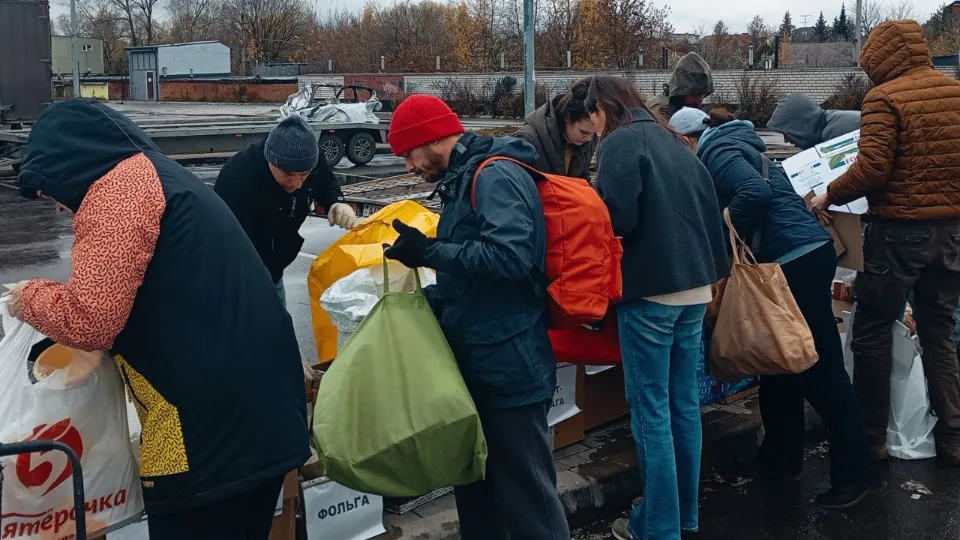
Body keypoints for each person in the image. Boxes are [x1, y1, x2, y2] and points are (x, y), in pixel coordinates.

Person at [4, 99, 309, 539]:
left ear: (66, 163)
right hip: (255, 418)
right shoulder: (158, 175)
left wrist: (27, 297)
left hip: (211, 440)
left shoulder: (120, 191)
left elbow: (91, 319)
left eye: (49, 191)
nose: (56, 207)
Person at [382, 94, 570, 540]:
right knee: (478, 495)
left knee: (528, 502)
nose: (408, 167)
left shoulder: (494, 176)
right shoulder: (463, 178)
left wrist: (428, 252)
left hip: (510, 369)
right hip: (481, 365)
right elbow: (471, 279)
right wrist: (425, 301)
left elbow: (510, 258)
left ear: (430, 140)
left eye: (408, 154)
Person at [675, 106, 880, 509]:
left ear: (687, 140)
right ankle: (779, 458)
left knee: (818, 370)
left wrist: (722, 223)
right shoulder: (743, 145)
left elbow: (756, 193)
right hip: (800, 255)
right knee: (777, 366)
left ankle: (855, 471)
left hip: (794, 262)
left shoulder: (718, 151)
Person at [810, 20, 960, 464]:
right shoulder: (955, 92)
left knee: (873, 330)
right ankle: (954, 439)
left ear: (881, 58)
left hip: (898, 234)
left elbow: (873, 168)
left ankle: (870, 437)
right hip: (952, 234)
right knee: (939, 333)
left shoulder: (884, 98)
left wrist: (829, 194)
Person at [586, 76, 728, 540]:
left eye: (592, 121)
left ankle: (658, 526)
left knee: (651, 410)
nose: (592, 132)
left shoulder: (622, 142)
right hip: (695, 288)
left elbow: (618, 219)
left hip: (651, 291)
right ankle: (686, 515)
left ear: (602, 110)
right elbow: (709, 207)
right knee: (683, 404)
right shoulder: (671, 138)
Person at [214, 115, 358, 305]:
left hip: (275, 270)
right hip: (239, 279)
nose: (297, 184)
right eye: (288, 175)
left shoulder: (310, 158)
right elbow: (226, 243)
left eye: (304, 175)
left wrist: (336, 203)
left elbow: (326, 181)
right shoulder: (237, 178)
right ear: (270, 160)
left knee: (280, 330)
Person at [513, 79, 597, 178]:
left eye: (594, 133)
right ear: (567, 116)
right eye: (583, 132)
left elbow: (583, 182)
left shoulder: (588, 142)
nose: (589, 138)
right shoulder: (527, 140)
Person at [768, 93, 861, 150]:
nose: (786, 141)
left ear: (800, 127)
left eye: (786, 134)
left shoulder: (832, 133)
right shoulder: (831, 121)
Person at [646, 52, 714, 121]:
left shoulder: (688, 109)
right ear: (681, 91)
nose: (699, 101)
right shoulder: (658, 110)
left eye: (701, 95)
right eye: (694, 95)